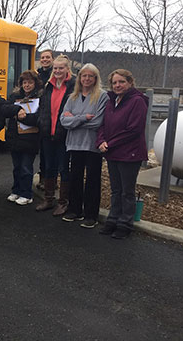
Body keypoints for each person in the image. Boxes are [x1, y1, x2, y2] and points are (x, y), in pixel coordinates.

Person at [97, 69, 148, 239]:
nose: (117, 85)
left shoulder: (137, 101)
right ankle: (113, 219)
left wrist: (110, 143)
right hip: (113, 153)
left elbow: (134, 130)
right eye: (114, 83)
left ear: (130, 82)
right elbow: (103, 124)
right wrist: (101, 141)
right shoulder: (112, 101)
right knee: (115, 190)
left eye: (121, 82)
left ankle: (125, 223)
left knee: (127, 191)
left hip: (129, 154)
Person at [60, 64, 109, 228]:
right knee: (75, 178)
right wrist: (82, 118)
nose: (87, 79)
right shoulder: (72, 97)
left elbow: (97, 122)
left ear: (96, 78)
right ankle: (75, 210)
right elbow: (63, 121)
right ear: (79, 78)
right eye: (84, 76)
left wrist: (74, 118)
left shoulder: (102, 96)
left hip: (92, 144)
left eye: (90, 76)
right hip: (74, 144)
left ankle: (91, 214)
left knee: (93, 180)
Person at [36, 54, 76, 216]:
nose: (58, 71)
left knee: (64, 169)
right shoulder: (48, 86)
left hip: (64, 135)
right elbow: (44, 108)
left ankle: (63, 202)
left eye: (61, 68)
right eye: (56, 68)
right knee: (49, 167)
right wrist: (41, 123)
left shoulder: (73, 86)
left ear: (67, 69)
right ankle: (48, 199)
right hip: (48, 133)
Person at [5, 70, 42, 205]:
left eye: (30, 82)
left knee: (26, 168)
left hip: (30, 140)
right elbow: (4, 109)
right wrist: (17, 110)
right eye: (24, 82)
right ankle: (16, 190)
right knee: (17, 167)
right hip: (15, 138)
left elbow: (39, 119)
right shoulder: (15, 96)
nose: (27, 85)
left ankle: (27, 194)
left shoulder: (40, 98)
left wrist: (24, 117)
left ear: (35, 84)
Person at [36, 49, 54, 191]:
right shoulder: (37, 74)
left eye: (48, 57)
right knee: (42, 151)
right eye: (43, 57)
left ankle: (51, 179)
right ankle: (43, 177)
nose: (45, 59)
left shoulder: (55, 74)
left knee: (51, 153)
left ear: (52, 59)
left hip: (51, 115)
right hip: (40, 114)